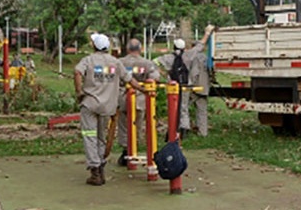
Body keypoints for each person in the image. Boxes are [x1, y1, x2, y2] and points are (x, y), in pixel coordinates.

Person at [74, 33, 148, 186]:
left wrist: (79, 92)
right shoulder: (115, 63)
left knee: (89, 135)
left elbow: (77, 72)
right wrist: (144, 90)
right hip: (107, 106)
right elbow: (130, 80)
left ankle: (95, 169)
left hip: (90, 104)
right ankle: (100, 164)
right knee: (102, 136)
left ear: (94, 46)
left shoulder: (88, 60)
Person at [156, 25, 214, 138]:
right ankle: (184, 130)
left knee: (173, 107)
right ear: (184, 48)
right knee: (184, 107)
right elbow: (200, 46)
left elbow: (154, 63)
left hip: (173, 86)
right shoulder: (188, 55)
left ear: (174, 47)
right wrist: (207, 33)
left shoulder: (168, 57)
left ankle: (174, 129)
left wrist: (165, 73)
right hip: (185, 85)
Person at [116, 38, 160, 166]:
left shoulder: (120, 62)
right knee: (137, 125)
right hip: (140, 99)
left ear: (128, 49)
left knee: (124, 126)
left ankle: (126, 151)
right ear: (140, 49)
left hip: (123, 98)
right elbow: (155, 78)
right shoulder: (146, 63)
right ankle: (134, 148)